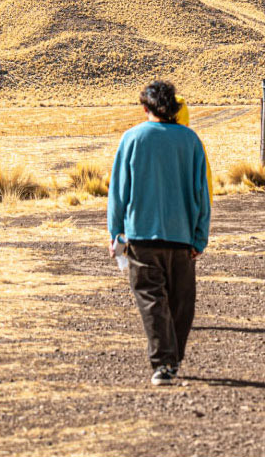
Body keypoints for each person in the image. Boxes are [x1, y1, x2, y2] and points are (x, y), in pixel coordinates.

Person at [108, 80, 211, 386]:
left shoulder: (132, 138)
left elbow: (119, 192)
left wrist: (117, 233)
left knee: (152, 299)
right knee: (181, 302)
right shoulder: (191, 141)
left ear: (145, 107)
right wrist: (199, 237)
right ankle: (172, 358)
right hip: (182, 239)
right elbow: (201, 193)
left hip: (141, 236)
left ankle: (164, 362)